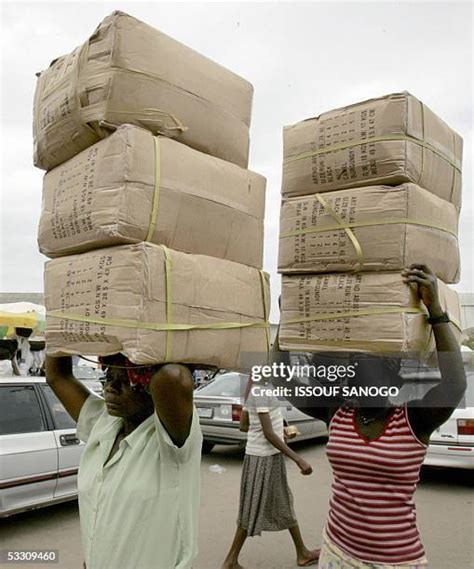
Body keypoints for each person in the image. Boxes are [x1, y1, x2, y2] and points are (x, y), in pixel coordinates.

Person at [274, 265, 467, 569]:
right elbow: (282, 381)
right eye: (355, 369)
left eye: (371, 368)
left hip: (395, 561)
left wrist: (435, 310)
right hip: (336, 551)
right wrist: (288, 321)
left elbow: (454, 385)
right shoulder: (337, 413)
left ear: (393, 377)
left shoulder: (413, 421)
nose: (360, 376)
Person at [45, 353, 202, 569]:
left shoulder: (173, 441)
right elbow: (57, 376)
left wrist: (148, 347)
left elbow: (174, 376)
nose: (111, 388)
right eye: (109, 378)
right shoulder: (104, 423)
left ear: (152, 388)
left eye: (127, 381)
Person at [221, 376, 320, 569]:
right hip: (263, 458)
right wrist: (298, 459)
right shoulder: (261, 392)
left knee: (283, 502)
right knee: (251, 508)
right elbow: (267, 433)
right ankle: (230, 560)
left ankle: (302, 552)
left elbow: (244, 426)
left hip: (265, 456)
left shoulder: (253, 391)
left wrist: (278, 429)